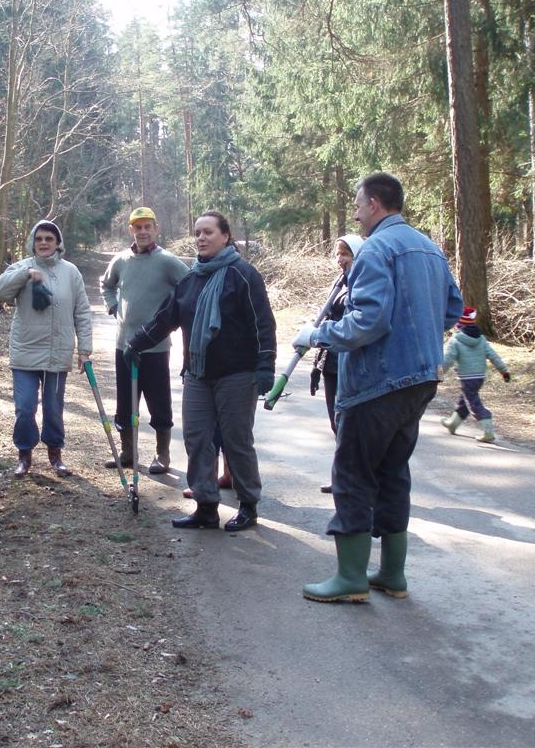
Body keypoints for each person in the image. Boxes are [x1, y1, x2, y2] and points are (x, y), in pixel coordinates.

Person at [293, 172, 463, 602]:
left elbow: (366, 323)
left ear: (373, 204)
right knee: (392, 473)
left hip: (375, 383)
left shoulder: (375, 251)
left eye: (357, 202)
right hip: (422, 379)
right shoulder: (430, 248)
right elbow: (452, 309)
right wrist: (418, 338)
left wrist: (315, 335)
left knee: (352, 473)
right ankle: (391, 574)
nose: (353, 210)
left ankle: (351, 579)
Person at [126, 210, 276, 532]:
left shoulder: (243, 275)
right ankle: (206, 507)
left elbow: (263, 324)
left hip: (237, 375)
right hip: (197, 374)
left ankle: (248, 505)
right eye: (197, 233)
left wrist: (265, 365)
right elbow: (166, 317)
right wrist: (136, 343)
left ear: (225, 236)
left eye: (208, 232)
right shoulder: (191, 279)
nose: (201, 238)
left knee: (236, 440)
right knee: (196, 439)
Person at [0, 219, 93, 478]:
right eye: (39, 239)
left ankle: (55, 453)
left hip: (57, 353)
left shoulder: (70, 272)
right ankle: (24, 455)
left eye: (49, 238)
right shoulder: (22, 267)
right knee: (25, 407)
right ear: (32, 243)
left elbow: (82, 311)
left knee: (53, 407)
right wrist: (24, 274)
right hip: (25, 351)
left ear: (58, 243)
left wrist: (84, 348)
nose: (44, 243)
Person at [100, 206, 189, 474]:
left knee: (158, 401)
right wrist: (113, 305)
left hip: (155, 347)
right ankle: (128, 452)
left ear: (156, 229)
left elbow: (189, 287)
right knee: (126, 402)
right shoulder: (121, 260)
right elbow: (106, 285)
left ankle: (162, 455)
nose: (143, 232)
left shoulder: (168, 261)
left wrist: (172, 316)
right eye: (137, 227)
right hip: (123, 344)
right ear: (131, 231)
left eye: (147, 226)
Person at [309, 234, 365, 494]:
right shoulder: (339, 283)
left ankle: (355, 479)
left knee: (352, 424)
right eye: (337, 254)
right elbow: (327, 321)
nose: (341, 259)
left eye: (346, 254)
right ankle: (343, 475)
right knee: (336, 422)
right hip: (332, 363)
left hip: (352, 364)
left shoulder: (363, 283)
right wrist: (316, 365)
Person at [440, 305, 510, 443]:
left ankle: (488, 429)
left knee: (473, 402)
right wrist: (504, 371)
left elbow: (448, 359)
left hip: (467, 378)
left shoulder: (456, 340)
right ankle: (453, 423)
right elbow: (493, 355)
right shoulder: (482, 339)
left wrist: (438, 373)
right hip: (480, 377)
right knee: (465, 400)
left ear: (459, 325)